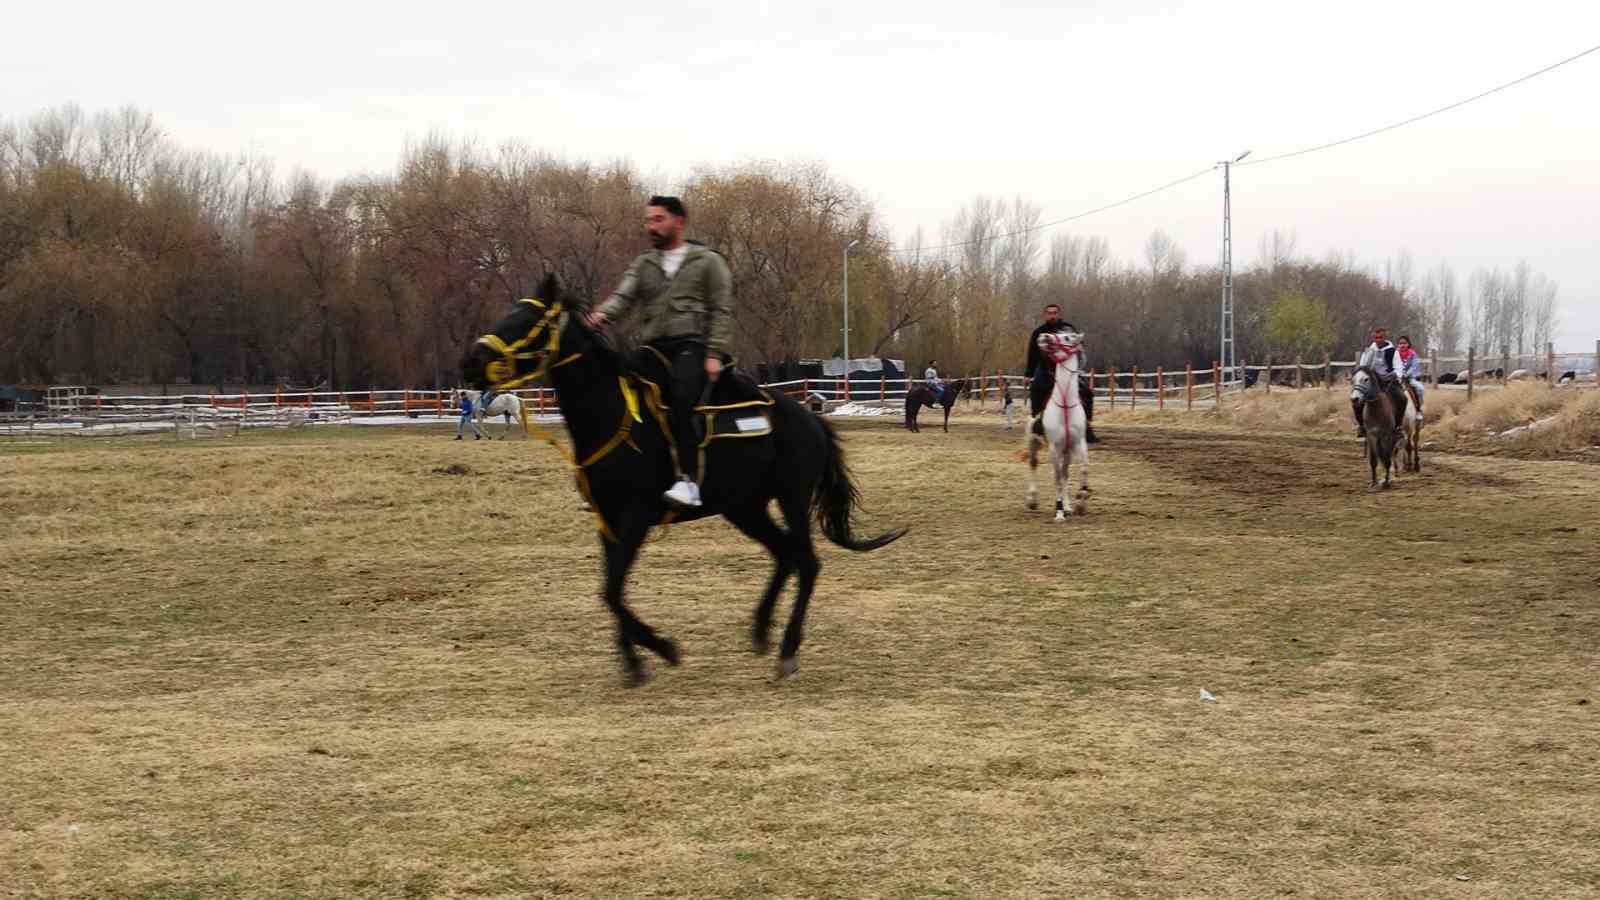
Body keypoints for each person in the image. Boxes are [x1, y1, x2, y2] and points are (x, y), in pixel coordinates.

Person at [588, 196, 733, 508]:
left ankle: (689, 482)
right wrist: (601, 315)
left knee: (681, 399)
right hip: (653, 347)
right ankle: (618, 478)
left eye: (658, 219)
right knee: (618, 394)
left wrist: (714, 353)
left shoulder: (708, 261)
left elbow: (721, 311)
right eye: (648, 220)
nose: (650, 226)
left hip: (691, 345)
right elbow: (622, 297)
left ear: (678, 221)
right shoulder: (644, 264)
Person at [1024, 303, 1098, 442]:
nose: (1052, 316)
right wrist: (1028, 374)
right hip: (1047, 370)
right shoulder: (1038, 332)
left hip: (1066, 370)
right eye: (1049, 313)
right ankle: (1037, 422)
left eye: (1055, 313)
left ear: (1059, 314)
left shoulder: (1069, 329)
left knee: (1087, 393)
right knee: (1036, 389)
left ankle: (1087, 426)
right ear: (1045, 315)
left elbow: (1078, 346)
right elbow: (1032, 355)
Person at [1353, 326, 1407, 438]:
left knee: (1402, 398)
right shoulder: (1369, 351)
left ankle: (1398, 427)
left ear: (1384, 337)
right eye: (1376, 337)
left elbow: (1398, 367)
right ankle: (1362, 426)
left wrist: (1396, 375)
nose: (1378, 340)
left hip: (1388, 381)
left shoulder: (1393, 351)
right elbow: (1363, 366)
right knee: (1356, 399)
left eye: (1380, 337)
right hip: (1372, 381)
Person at [1396, 334, 1424, 420]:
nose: (1402, 345)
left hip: (1409, 378)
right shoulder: (1395, 353)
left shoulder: (1412, 354)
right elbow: (1393, 364)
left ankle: (1418, 409)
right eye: (1400, 343)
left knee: (1420, 388)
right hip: (1397, 377)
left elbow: (1414, 366)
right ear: (1398, 345)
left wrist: (1407, 374)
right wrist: (1398, 374)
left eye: (1404, 343)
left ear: (1408, 344)